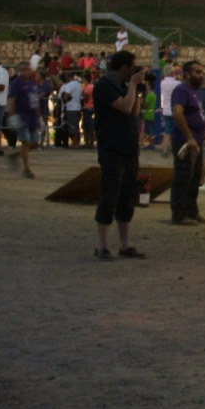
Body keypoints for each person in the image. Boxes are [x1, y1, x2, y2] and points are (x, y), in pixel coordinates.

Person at [92, 50, 148, 260]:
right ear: (124, 68)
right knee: (110, 193)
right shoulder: (104, 86)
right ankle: (102, 246)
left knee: (127, 197)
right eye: (133, 68)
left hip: (128, 147)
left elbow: (134, 112)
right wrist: (133, 85)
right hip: (112, 147)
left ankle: (125, 244)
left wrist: (137, 89)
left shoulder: (124, 87)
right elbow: (125, 108)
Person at [169, 61, 205, 225]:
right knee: (183, 176)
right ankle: (179, 214)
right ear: (187, 74)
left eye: (202, 72)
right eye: (198, 72)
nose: (201, 75)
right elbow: (178, 113)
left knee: (194, 178)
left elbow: (195, 114)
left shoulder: (194, 92)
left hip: (196, 141)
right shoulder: (181, 90)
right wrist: (189, 137)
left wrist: (202, 132)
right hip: (185, 141)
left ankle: (192, 211)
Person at [5, 62, 40, 178]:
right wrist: (12, 116)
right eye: (23, 70)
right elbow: (11, 100)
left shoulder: (32, 83)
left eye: (27, 69)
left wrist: (39, 116)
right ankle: (26, 169)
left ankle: (15, 155)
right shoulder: (16, 84)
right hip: (22, 116)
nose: (26, 72)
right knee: (25, 142)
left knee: (35, 143)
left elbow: (35, 100)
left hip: (33, 117)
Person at [159, 66, 181, 158]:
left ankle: (165, 150)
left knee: (167, 131)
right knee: (178, 130)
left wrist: (162, 107)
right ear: (172, 73)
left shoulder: (162, 83)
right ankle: (176, 149)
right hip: (176, 109)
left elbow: (162, 96)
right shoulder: (177, 83)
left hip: (166, 109)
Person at [59, 72, 84, 148]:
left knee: (71, 125)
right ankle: (76, 142)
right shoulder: (79, 84)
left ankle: (75, 142)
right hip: (78, 106)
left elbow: (66, 96)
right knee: (75, 125)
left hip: (71, 107)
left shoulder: (69, 85)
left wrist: (64, 98)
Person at [80, 71, 96, 147]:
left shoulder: (88, 88)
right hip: (92, 107)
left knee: (87, 126)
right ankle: (90, 142)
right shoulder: (93, 86)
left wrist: (83, 93)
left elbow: (85, 99)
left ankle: (89, 142)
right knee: (89, 126)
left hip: (88, 107)